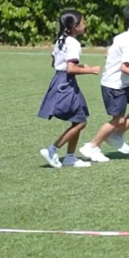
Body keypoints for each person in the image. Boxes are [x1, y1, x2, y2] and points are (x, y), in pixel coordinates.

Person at [79, 1, 129, 162]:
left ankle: (116, 135)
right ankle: (92, 146)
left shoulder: (124, 36)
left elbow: (108, 53)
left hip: (125, 82)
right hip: (114, 85)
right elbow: (124, 67)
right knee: (118, 119)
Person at [38, 10, 100, 168]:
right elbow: (70, 69)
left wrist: (80, 66)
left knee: (78, 119)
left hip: (59, 80)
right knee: (80, 122)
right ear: (75, 26)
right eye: (83, 22)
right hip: (66, 84)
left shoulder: (60, 40)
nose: (85, 25)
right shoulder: (74, 44)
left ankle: (70, 157)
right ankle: (52, 150)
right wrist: (90, 70)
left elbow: (55, 63)